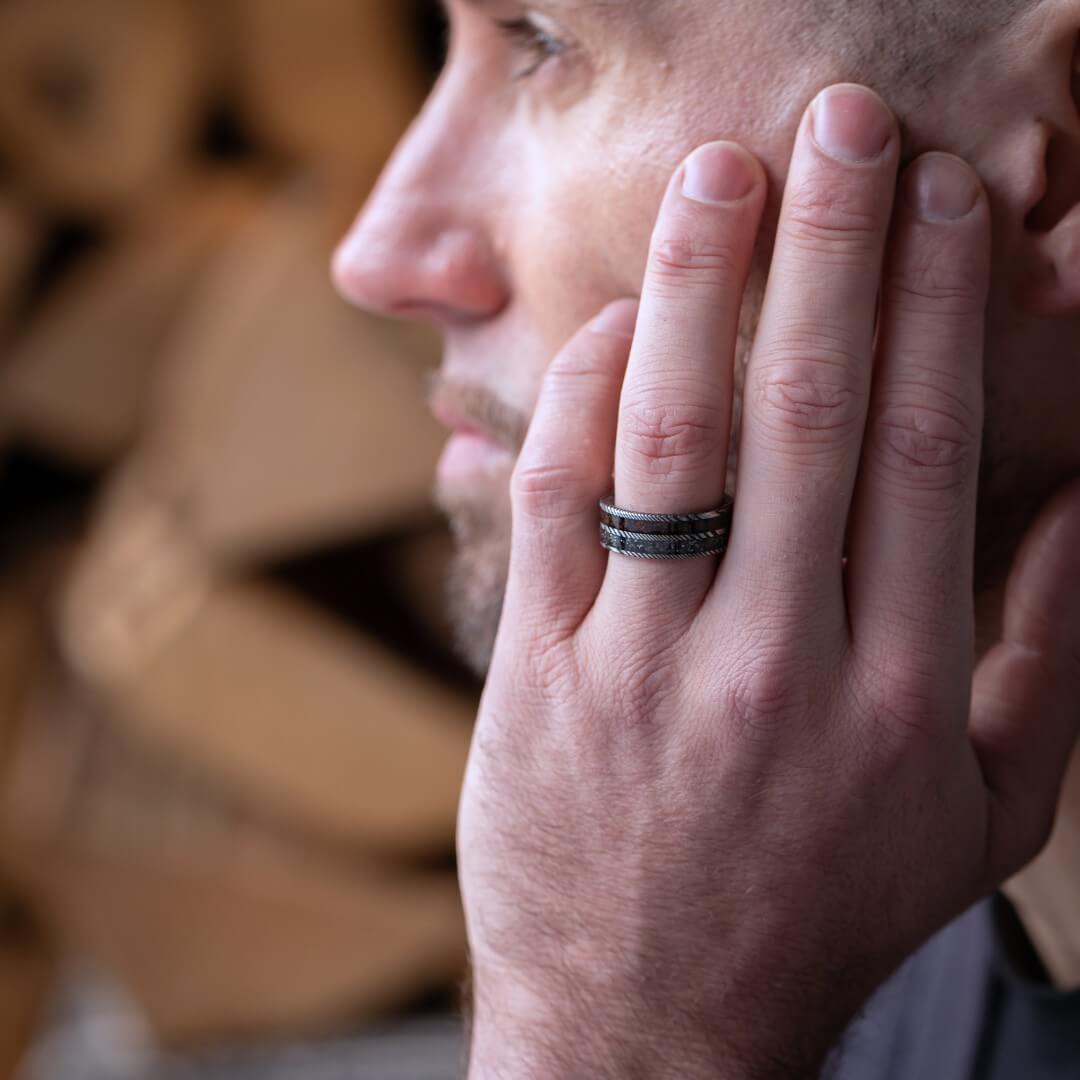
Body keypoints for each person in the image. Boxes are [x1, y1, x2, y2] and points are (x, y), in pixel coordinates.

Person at [333, 1, 1080, 1075]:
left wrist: (610, 1025)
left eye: (541, 43)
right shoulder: (816, 903)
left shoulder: (714, 982)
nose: (380, 253)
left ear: (1057, 176)